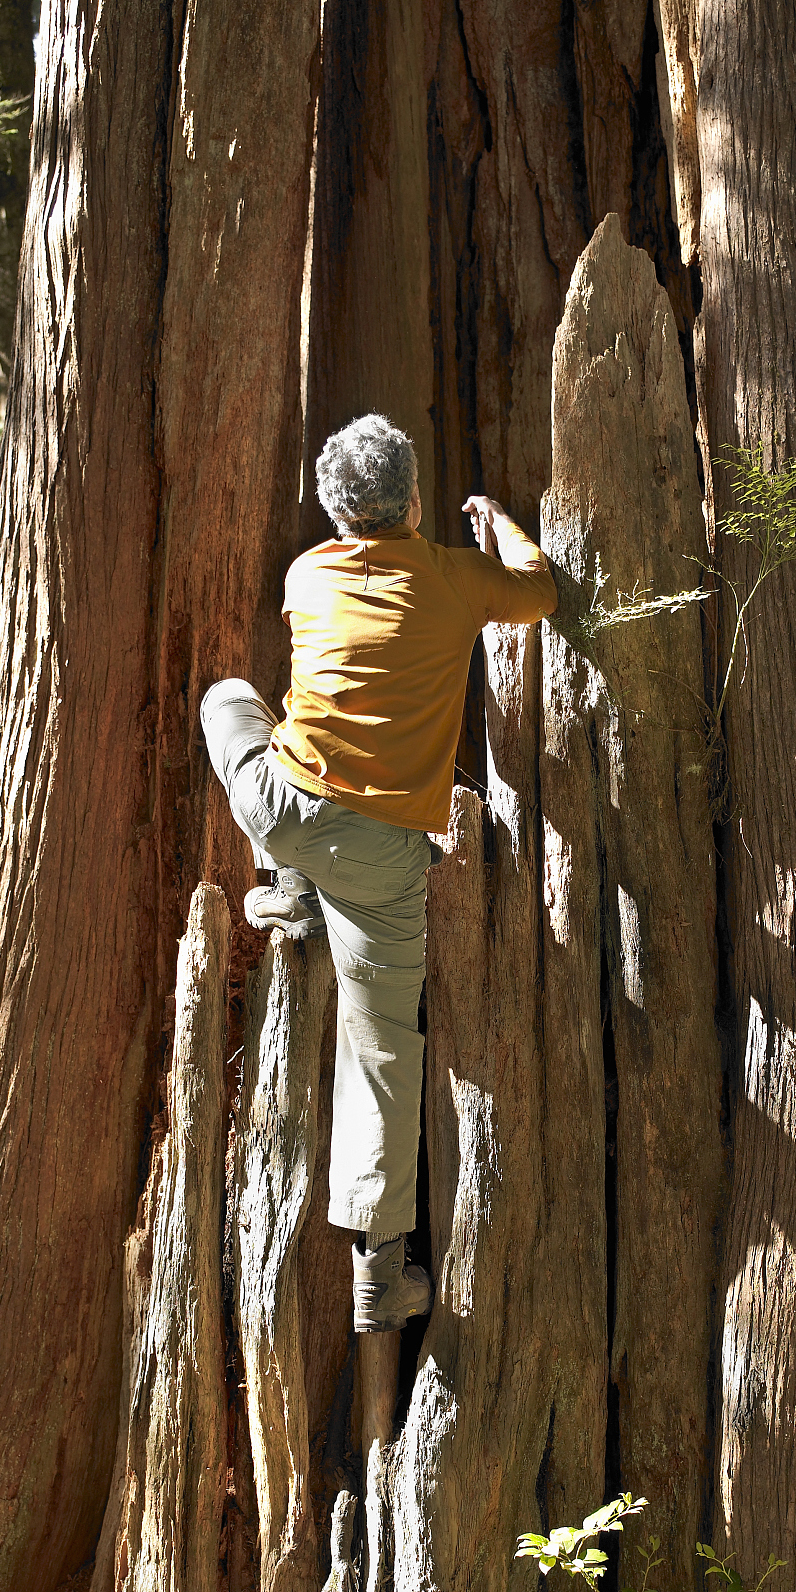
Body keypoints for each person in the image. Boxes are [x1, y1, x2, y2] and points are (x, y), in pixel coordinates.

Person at [201, 413, 557, 1333]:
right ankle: (380, 1272)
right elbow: (538, 594)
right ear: (413, 500)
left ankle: (284, 883)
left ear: (333, 509)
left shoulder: (307, 572)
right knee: (383, 1049)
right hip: (379, 853)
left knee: (228, 699)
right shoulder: (454, 581)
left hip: (280, 805)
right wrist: (499, 525)